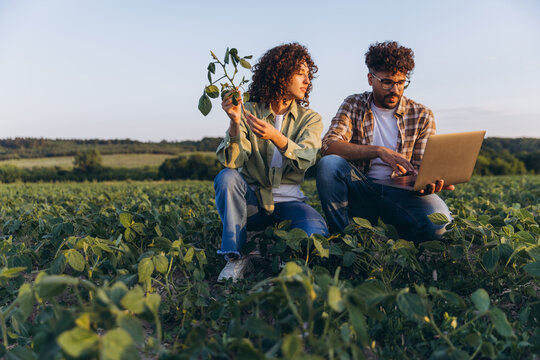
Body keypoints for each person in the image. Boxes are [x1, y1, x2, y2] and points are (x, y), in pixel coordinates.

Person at [316, 41, 453, 243]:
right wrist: (378, 151)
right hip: (360, 188)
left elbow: (421, 165)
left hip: (401, 192)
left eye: (401, 82)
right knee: (329, 165)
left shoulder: (422, 114)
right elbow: (328, 146)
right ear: (371, 79)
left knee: (440, 224)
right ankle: (344, 240)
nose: (395, 89)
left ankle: (401, 241)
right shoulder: (353, 104)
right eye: (387, 82)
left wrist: (429, 181)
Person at [214, 43, 328, 282]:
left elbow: (307, 159)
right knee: (226, 178)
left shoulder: (310, 119)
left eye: (309, 75)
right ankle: (236, 257)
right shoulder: (248, 111)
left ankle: (278, 253)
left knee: (315, 232)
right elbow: (233, 162)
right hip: (252, 204)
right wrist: (235, 122)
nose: (307, 81)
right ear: (279, 74)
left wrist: (276, 137)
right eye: (300, 73)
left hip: (290, 204)